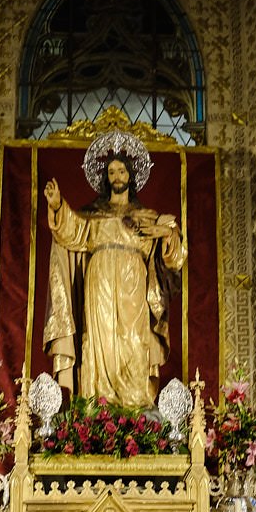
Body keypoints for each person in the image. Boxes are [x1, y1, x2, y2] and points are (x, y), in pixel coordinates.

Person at [42, 129, 186, 408]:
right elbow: (70, 232)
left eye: (121, 171)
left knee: (133, 341)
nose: (117, 177)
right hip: (99, 280)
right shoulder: (93, 215)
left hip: (134, 282)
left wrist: (168, 233)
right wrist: (58, 205)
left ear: (131, 176)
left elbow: (172, 257)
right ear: (105, 179)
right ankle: (99, 405)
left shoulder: (148, 217)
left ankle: (136, 404)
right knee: (100, 340)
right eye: (111, 172)